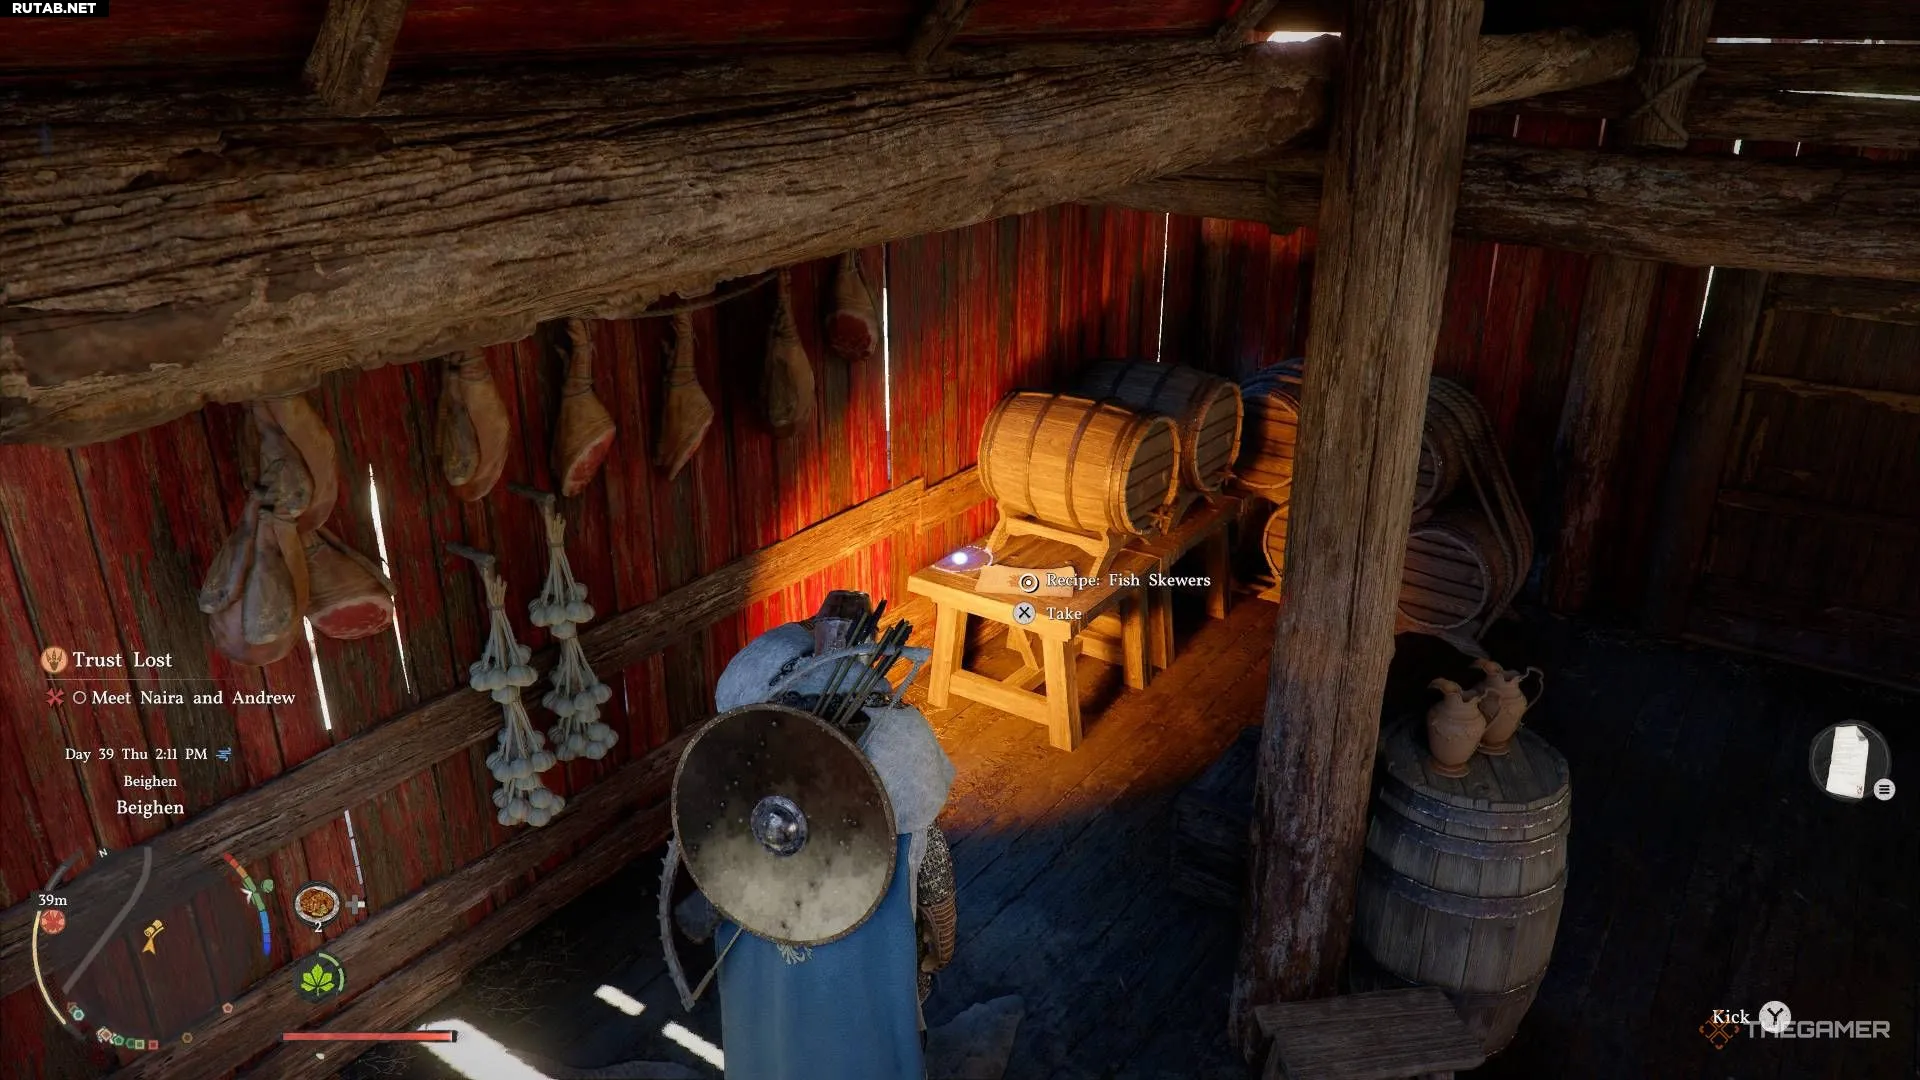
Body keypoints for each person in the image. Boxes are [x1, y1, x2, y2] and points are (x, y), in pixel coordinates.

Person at [673, 593, 955, 1080]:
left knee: (776, 1027)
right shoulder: (899, 742)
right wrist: (937, 946)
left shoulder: (751, 713)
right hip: (829, 934)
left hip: (773, 913)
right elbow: (932, 878)